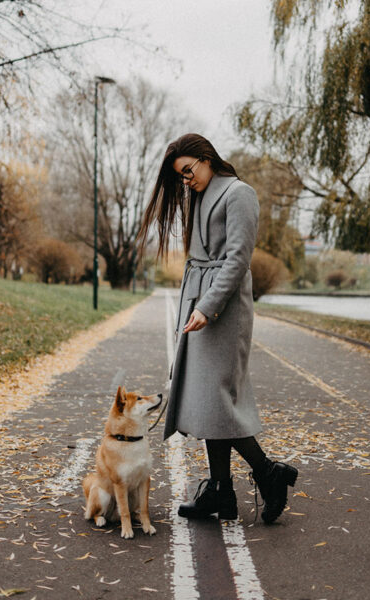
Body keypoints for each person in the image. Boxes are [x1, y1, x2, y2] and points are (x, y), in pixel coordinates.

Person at [137, 133, 297, 523]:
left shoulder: (240, 194)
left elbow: (238, 259)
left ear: (206, 158)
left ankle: (268, 473)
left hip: (224, 311)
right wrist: (194, 306)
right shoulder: (200, 195)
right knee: (207, 401)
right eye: (180, 176)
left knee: (218, 399)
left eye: (188, 171)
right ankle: (222, 492)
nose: (186, 180)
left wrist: (208, 307)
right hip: (199, 306)